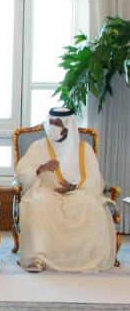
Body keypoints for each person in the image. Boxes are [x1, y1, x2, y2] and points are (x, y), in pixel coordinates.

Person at [13, 107, 116, 273]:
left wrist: (72, 186)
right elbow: (20, 172)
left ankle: (84, 259)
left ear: (68, 126)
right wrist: (40, 168)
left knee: (92, 206)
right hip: (46, 191)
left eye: (57, 123)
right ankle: (38, 259)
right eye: (51, 122)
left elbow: (95, 179)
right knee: (37, 204)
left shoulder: (84, 149)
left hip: (79, 193)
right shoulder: (38, 146)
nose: (52, 126)